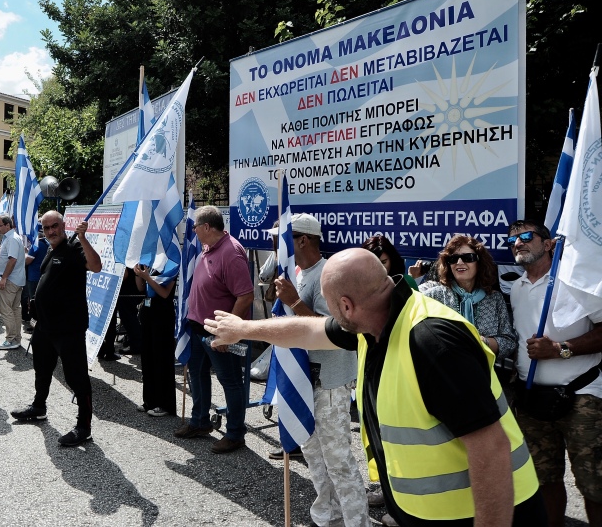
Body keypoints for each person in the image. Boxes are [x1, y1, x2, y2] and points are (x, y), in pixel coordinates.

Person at [205, 248, 546, 526]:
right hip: (433, 513)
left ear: (347, 306)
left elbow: (492, 449)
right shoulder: (376, 320)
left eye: (333, 307)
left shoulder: (432, 342)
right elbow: (308, 330)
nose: (333, 318)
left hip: (482, 515)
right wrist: (243, 328)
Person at [270, 214, 370, 527]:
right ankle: (328, 515)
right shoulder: (295, 272)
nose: (276, 244)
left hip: (329, 381)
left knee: (338, 459)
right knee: (313, 452)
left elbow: (337, 333)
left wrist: (294, 301)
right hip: (303, 381)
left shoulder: (328, 274)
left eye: (282, 238)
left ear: (302, 240)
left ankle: (357, 521)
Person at [506, 219, 602, 527]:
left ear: (549, 244)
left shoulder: (575, 281)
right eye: (512, 240)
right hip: (532, 400)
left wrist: (560, 349)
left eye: (525, 236)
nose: (518, 243)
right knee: (543, 479)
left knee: (594, 485)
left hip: (581, 397)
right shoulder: (516, 289)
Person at [10, 211, 102, 447]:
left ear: (64, 226)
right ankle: (39, 407)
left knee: (76, 377)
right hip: (45, 326)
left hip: (68, 327)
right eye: (47, 227)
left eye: (55, 226)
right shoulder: (51, 249)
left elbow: (96, 265)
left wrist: (83, 238)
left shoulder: (74, 248)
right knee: (42, 369)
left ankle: (84, 427)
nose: (51, 231)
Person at [175, 205, 254, 454]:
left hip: (218, 333)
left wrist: (225, 333)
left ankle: (235, 434)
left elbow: (246, 296)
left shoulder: (231, 253)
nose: (194, 231)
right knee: (197, 376)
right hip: (199, 328)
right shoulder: (208, 248)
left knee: (230, 381)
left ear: (207, 227)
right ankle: (200, 422)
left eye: (196, 227)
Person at [421, 235, 517, 364]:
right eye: (454, 259)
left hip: (484, 374)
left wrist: (482, 342)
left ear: (480, 262)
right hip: (443, 373)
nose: (460, 263)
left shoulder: (494, 298)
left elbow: (509, 342)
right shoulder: (434, 296)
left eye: (468, 258)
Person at [133, 264, 176, 416]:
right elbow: (140, 288)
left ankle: (164, 404)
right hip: (148, 312)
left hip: (162, 315)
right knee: (147, 358)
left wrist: (147, 278)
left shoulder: (171, 265)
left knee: (161, 359)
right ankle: (149, 400)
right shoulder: (149, 264)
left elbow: (164, 293)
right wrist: (138, 274)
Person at [0, 214, 25, 350]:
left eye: (0, 225)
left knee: (6, 310)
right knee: (14, 310)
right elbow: (3, 256)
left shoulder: (11, 239)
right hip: (16, 279)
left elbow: (12, 260)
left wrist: (4, 277)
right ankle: (16, 338)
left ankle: (11, 339)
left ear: (8, 225)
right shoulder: (11, 238)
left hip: (10, 280)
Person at [21, 233, 48, 333]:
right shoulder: (46, 243)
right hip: (40, 275)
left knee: (33, 302)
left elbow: (28, 261)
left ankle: (36, 325)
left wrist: (22, 257)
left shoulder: (37, 244)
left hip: (33, 277)